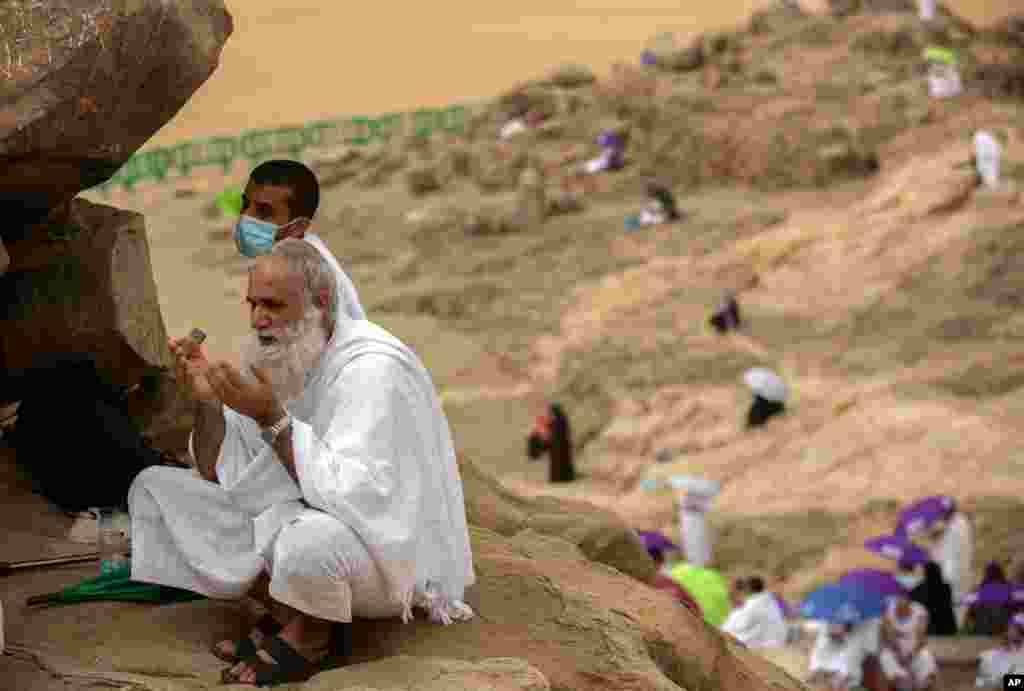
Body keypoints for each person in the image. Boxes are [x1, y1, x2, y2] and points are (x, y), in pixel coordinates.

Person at [128, 240, 475, 687]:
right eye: (252, 303)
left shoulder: (373, 370)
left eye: (272, 304)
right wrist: (207, 403)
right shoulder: (273, 353)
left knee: (306, 540)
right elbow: (218, 471)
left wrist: (271, 418)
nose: (258, 319)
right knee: (158, 489)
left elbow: (360, 499)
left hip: (380, 559)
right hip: (297, 522)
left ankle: (311, 636)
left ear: (321, 302)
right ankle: (288, 610)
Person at [234, 159, 366, 322]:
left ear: (298, 227)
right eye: (245, 205)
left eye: (264, 211)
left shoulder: (306, 275)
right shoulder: (284, 260)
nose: (246, 217)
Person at [925, 500, 973, 621]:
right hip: (955, 568)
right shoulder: (961, 521)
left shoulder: (956, 524)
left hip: (951, 568)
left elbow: (934, 539)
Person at [879, 595, 937, 691]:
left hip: (915, 651)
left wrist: (911, 655)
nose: (900, 602)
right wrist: (899, 655)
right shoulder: (888, 611)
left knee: (925, 656)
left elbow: (921, 638)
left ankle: (923, 683)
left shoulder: (920, 611)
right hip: (895, 652)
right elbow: (888, 637)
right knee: (885, 656)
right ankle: (900, 681)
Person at [721, 576, 788, 648]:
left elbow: (727, 630)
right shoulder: (769, 601)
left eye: (732, 593)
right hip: (777, 642)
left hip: (765, 646)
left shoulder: (752, 606)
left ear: (746, 590)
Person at [807, 622, 871, 690]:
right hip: (827, 679)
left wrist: (839, 679)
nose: (831, 625)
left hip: (848, 684)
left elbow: (847, 667)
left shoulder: (856, 641)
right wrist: (813, 671)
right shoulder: (825, 635)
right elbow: (817, 656)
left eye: (836, 623)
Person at [526, 403, 575, 483]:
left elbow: (542, 447)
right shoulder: (557, 427)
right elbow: (538, 450)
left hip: (560, 474)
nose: (547, 417)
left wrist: (540, 432)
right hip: (561, 473)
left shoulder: (557, 427)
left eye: (549, 415)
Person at [975, 612, 1024, 687]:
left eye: (1018, 629)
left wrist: (1004, 682)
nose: (1013, 631)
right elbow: (981, 683)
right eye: (1012, 627)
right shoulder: (988, 656)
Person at [964, 561, 1012, 636]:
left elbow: (970, 615)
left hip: (982, 630)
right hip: (1003, 630)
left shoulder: (978, 590)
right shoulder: (1009, 589)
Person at [910, 562, 958, 636]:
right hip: (946, 624)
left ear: (925, 573)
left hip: (928, 625)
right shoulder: (946, 587)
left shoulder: (918, 589)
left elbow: (914, 604)